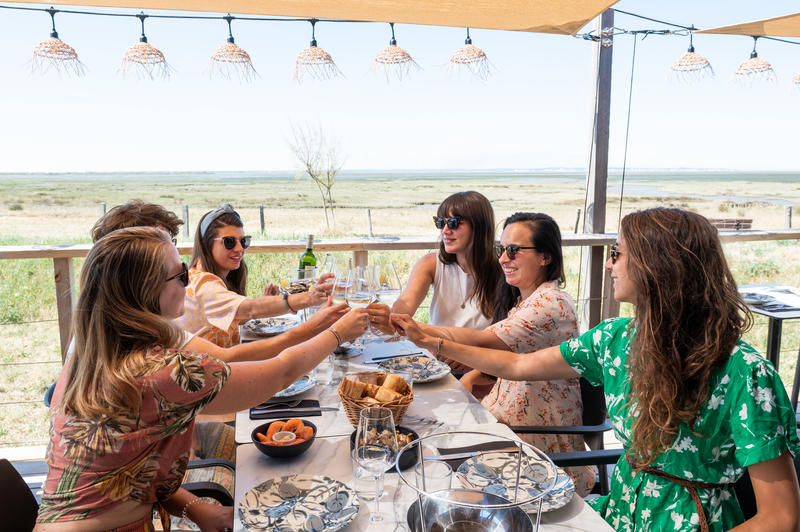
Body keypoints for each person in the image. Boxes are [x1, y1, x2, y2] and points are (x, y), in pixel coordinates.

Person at [393, 207, 800, 531]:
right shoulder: (616, 338)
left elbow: (781, 518)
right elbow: (516, 364)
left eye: (618, 253)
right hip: (619, 511)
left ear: (660, 265)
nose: (609, 265)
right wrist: (433, 343)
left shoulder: (745, 373)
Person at [35, 227, 368, 531]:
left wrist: (196, 508)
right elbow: (280, 373)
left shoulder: (91, 359)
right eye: (180, 274)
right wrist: (337, 334)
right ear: (146, 292)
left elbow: (126, 471)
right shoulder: (160, 372)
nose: (189, 281)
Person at [381, 212, 594, 494]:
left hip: (534, 446)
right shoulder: (526, 298)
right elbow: (502, 353)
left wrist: (417, 332)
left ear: (545, 257)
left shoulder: (550, 303)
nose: (504, 259)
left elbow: (483, 341)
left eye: (514, 251)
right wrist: (469, 374)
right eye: (501, 250)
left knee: (417, 465)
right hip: (502, 422)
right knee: (412, 443)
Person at [177, 204, 332, 348]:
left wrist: (266, 301)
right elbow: (251, 309)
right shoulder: (203, 285)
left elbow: (236, 315)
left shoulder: (201, 277)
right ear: (206, 244)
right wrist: (310, 298)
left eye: (244, 241)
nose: (239, 249)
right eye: (229, 242)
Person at [387, 191, 503, 374]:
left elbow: (510, 337)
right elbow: (405, 305)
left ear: (480, 227)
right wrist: (391, 314)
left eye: (454, 223)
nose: (445, 231)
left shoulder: (504, 270)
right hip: (436, 365)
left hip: (484, 370)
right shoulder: (431, 263)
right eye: (440, 223)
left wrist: (476, 360)